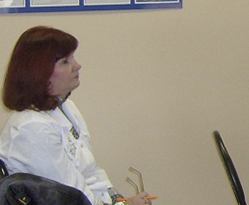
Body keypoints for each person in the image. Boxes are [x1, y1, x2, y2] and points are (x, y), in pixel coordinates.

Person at [0, 26, 152, 205]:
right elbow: (73, 197)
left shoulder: (65, 107)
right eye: (65, 61)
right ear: (40, 73)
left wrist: (118, 200)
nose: (77, 65)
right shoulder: (31, 128)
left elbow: (91, 171)